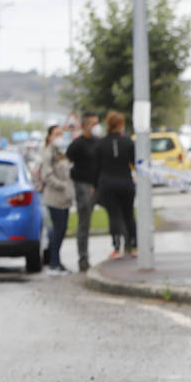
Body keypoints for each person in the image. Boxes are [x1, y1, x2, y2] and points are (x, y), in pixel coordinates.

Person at [95, 110, 137, 259]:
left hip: (107, 183)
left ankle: (116, 247)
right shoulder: (128, 142)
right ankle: (133, 245)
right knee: (128, 214)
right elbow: (136, 162)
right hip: (125, 182)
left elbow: (97, 166)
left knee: (114, 215)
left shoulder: (101, 143)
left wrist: (96, 186)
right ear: (120, 125)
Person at [66, 113, 101, 272]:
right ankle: (83, 258)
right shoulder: (77, 144)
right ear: (85, 126)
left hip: (99, 184)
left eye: (97, 123)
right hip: (84, 186)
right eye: (93, 123)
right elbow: (68, 160)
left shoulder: (98, 142)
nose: (96, 126)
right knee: (84, 222)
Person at [38, 124, 74, 274]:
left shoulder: (59, 152)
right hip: (54, 198)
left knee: (60, 230)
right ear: (49, 137)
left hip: (63, 199)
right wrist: (62, 185)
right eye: (56, 134)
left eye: (61, 133)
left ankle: (56, 261)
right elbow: (46, 175)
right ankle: (53, 263)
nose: (60, 137)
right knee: (58, 231)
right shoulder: (48, 153)